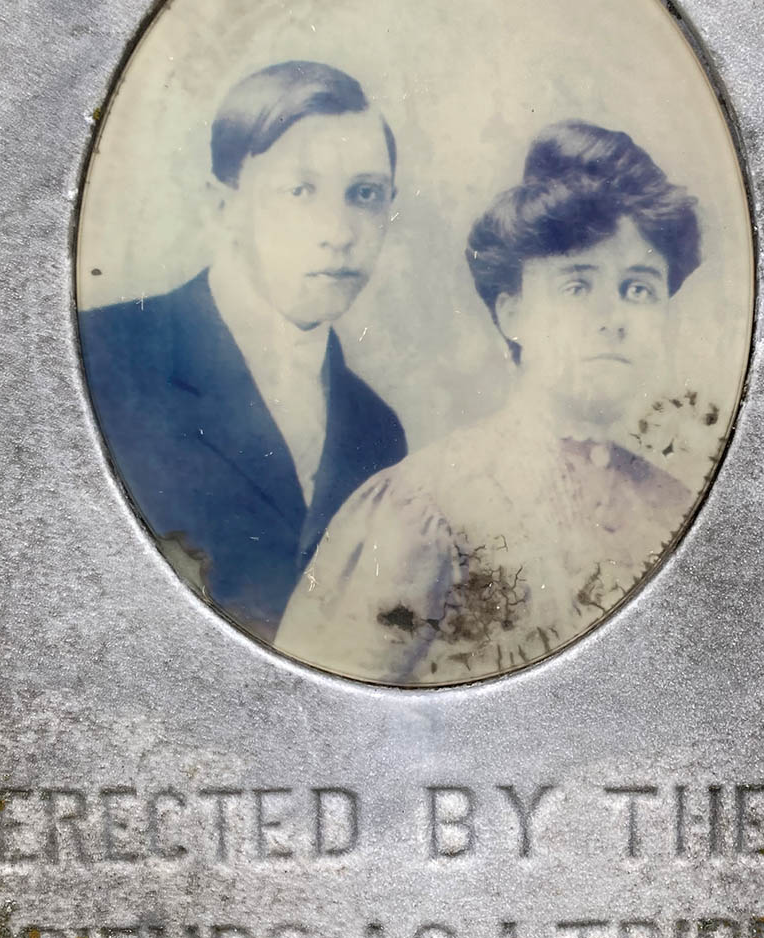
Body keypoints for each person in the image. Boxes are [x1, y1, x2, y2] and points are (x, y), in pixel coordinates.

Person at [275, 119, 702, 685]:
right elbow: (316, 719)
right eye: (577, 286)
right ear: (512, 313)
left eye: (639, 289)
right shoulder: (422, 508)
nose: (612, 320)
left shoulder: (674, 509)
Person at [78, 61, 406, 641]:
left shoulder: (378, 431)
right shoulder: (100, 357)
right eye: (301, 190)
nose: (339, 229)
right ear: (222, 206)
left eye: (365, 194)